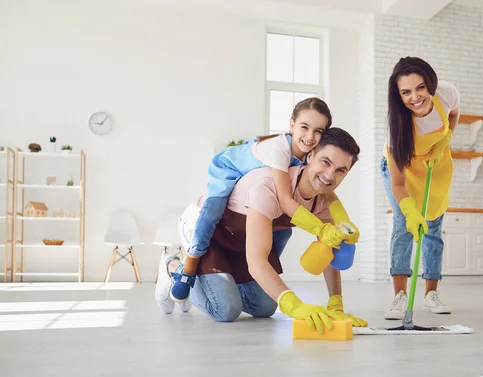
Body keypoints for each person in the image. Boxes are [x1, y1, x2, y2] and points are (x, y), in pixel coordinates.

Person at [155, 128, 366, 333]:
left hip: (241, 241)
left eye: (340, 170)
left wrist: (335, 303)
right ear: (310, 156)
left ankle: (218, 282)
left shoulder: (326, 202)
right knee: (226, 310)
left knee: (265, 307)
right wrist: (294, 306)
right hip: (207, 232)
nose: (329, 175)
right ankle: (173, 268)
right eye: (326, 162)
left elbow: (329, 247)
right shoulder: (267, 185)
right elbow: (257, 262)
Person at [171, 98, 357, 303]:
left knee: (283, 231)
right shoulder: (279, 154)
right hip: (227, 169)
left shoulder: (306, 158)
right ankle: (185, 268)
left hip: (243, 234)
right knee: (213, 209)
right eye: (305, 127)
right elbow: (285, 200)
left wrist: (343, 224)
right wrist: (320, 230)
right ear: (292, 125)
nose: (310, 136)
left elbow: (327, 192)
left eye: (318, 131)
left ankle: (244, 276)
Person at [381, 56, 460, 320]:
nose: (414, 97)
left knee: (433, 228)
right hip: (402, 170)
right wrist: (409, 210)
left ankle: (430, 295)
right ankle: (399, 297)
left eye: (420, 87)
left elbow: (454, 113)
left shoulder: (447, 93)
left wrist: (444, 141)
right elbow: (397, 183)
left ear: (431, 85)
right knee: (405, 226)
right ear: (398, 95)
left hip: (435, 166)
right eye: (406, 92)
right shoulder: (396, 128)